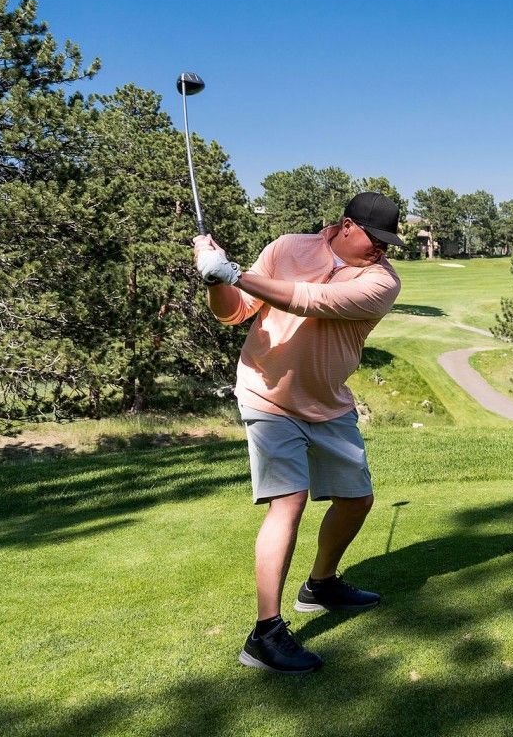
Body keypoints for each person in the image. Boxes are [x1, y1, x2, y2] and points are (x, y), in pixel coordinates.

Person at [193, 191, 403, 675]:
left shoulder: (381, 281)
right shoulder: (288, 247)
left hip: (327, 401)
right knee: (289, 499)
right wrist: (213, 278)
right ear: (346, 225)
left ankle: (321, 584)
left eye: (388, 242)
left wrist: (233, 271)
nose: (382, 250)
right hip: (266, 392)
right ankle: (266, 633)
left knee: (357, 499)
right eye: (375, 239)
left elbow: (314, 301)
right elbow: (233, 312)